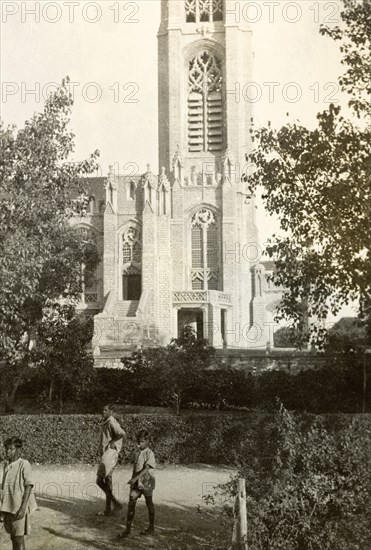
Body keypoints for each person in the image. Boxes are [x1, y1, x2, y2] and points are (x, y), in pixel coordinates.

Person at [0, 437, 38, 550]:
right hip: (8, 506)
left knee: (18, 538)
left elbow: (28, 486)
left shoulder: (24, 464)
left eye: (11, 449)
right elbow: (4, 486)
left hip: (18, 507)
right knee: (13, 536)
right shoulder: (7, 465)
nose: (8, 452)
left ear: (18, 450)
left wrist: (22, 508)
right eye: (6, 449)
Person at [120, 429, 156, 538]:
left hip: (147, 483)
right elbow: (135, 467)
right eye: (138, 441)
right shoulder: (137, 452)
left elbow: (146, 468)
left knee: (149, 503)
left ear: (148, 441)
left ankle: (151, 527)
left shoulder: (150, 453)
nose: (139, 444)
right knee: (131, 504)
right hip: (136, 483)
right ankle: (127, 529)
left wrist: (134, 478)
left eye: (142, 442)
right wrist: (134, 480)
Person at [96, 404, 126, 516]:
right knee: (106, 480)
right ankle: (112, 505)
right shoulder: (106, 421)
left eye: (105, 410)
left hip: (111, 454)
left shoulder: (111, 421)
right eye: (102, 410)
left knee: (101, 480)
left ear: (111, 411)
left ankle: (111, 506)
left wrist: (113, 443)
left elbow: (122, 433)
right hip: (107, 454)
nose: (103, 412)